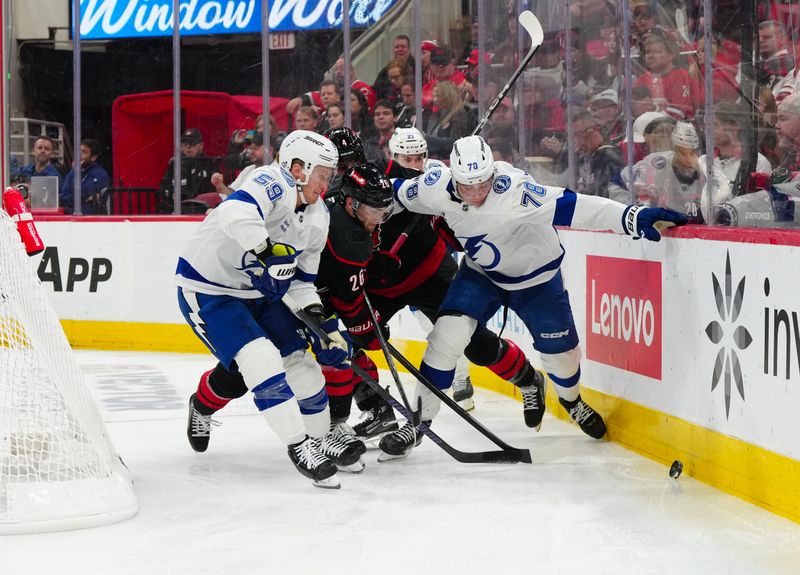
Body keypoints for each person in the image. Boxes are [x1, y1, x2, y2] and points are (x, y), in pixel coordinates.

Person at [383, 135, 688, 457]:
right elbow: (396, 193)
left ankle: (571, 401)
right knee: (446, 337)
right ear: (453, 176)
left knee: (563, 356)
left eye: (482, 185)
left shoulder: (518, 192)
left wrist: (633, 217)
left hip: (538, 281)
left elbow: (578, 206)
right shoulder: (435, 185)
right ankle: (418, 422)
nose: (475, 194)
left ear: (492, 174)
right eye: (466, 187)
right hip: (481, 275)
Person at [317, 162, 548, 461]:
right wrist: (373, 269)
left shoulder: (396, 176)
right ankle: (380, 407)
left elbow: (445, 201)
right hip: (382, 285)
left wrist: (443, 218)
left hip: (432, 275)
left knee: (474, 344)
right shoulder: (338, 202)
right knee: (349, 341)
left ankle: (528, 378)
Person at [177, 130, 359, 489]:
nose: (327, 184)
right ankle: (298, 445)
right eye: (323, 175)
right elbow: (233, 211)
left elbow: (302, 282)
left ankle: (321, 440)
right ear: (298, 168)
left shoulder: (318, 216)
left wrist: (321, 322)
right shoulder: (270, 180)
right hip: (210, 289)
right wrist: (265, 249)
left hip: (259, 295)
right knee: (258, 361)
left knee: (303, 365)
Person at [157, 128, 216, 213]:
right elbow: (164, 188)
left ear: (201, 145)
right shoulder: (175, 163)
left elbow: (211, 193)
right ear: (181, 146)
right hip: (176, 209)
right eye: (185, 144)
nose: (189, 147)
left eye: (193, 144)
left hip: (201, 210)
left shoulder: (208, 164)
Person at [60, 138, 110, 215]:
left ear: (93, 158)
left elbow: (82, 193)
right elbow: (64, 195)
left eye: (84, 152)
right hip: (71, 216)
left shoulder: (100, 174)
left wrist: (77, 199)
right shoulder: (74, 171)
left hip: (91, 220)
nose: (79, 155)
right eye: (78, 151)